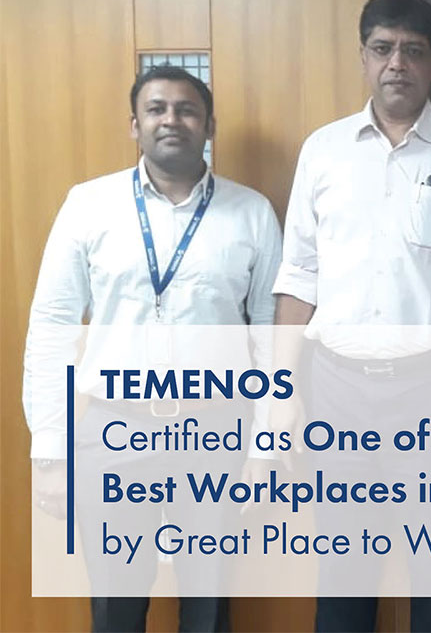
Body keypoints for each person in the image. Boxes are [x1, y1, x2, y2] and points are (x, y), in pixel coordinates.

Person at [271, 0, 431, 633]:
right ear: (363, 57)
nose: (397, 64)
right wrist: (281, 394)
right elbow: (298, 278)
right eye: (383, 49)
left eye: (413, 51)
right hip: (337, 391)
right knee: (343, 575)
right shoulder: (323, 151)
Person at [23, 64, 282, 632]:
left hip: (216, 430)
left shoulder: (252, 212)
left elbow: (271, 336)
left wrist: (266, 447)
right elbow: (52, 327)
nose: (172, 120)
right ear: (134, 124)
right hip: (114, 430)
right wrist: (50, 451)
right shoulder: (88, 206)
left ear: (209, 125)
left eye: (187, 110)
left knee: (209, 600)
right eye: (156, 109)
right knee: (115, 601)